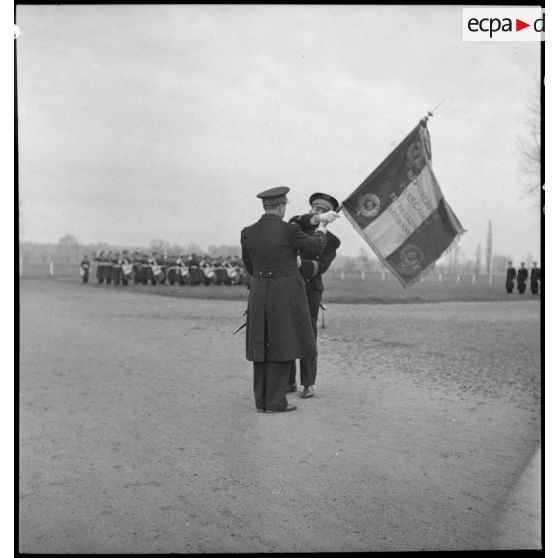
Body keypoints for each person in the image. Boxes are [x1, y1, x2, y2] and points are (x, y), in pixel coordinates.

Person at [241, 186, 331, 413]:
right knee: (283, 343)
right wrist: (322, 226)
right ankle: (275, 402)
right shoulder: (288, 230)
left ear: (265, 206)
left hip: (259, 292)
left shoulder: (247, 231)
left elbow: (250, 266)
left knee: (260, 345)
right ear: (281, 206)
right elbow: (316, 245)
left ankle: (261, 401)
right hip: (285, 293)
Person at [287, 192, 341, 398]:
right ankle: (289, 381)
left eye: (322, 211)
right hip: (290, 286)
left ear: (331, 216)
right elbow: (294, 220)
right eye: (315, 210)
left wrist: (302, 265)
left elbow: (322, 266)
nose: (317, 212)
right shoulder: (295, 226)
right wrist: (318, 219)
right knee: (286, 332)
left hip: (310, 289)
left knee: (308, 335)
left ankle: (308, 383)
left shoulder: (332, 241)